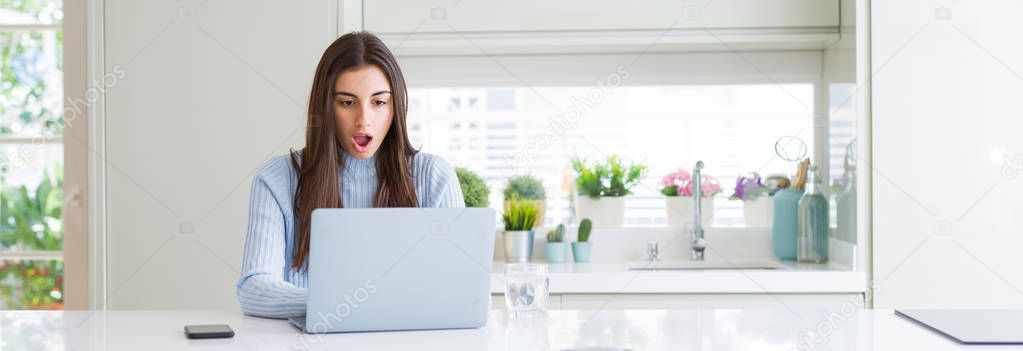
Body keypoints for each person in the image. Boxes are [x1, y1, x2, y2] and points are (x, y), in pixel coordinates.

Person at [236, 32, 465, 318]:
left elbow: (458, 286)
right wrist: (348, 306)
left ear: (396, 108)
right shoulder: (277, 179)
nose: (363, 120)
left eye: (379, 102)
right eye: (347, 102)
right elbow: (254, 289)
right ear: (326, 108)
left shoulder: (433, 176)